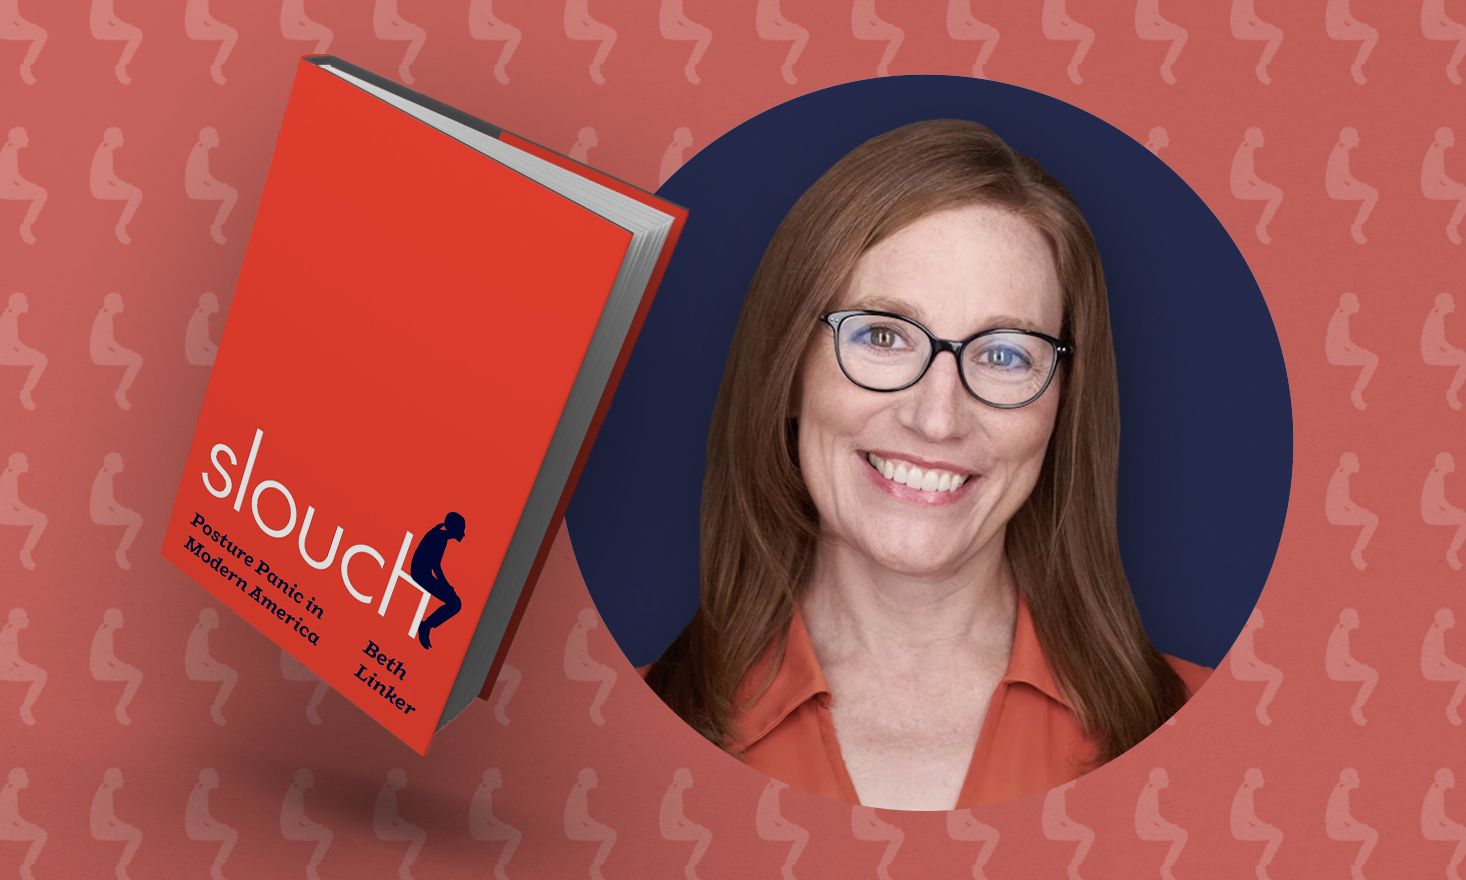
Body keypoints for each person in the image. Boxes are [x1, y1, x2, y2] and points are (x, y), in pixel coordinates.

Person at [643, 119, 1211, 811]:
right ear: (788, 368)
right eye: (883, 335)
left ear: (1063, 405)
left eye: (1005, 354)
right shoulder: (615, 740)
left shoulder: (1215, 735)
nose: (937, 417)